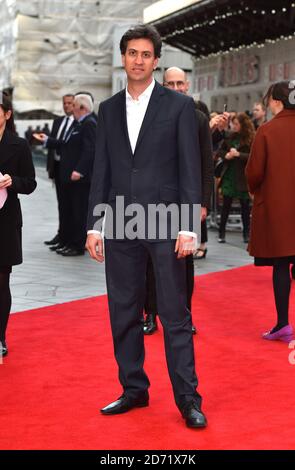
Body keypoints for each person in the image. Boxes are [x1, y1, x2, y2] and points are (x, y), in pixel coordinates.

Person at [86, 25, 207, 428]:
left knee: (174, 314)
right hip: (120, 223)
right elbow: (101, 170)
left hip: (167, 223)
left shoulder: (177, 107)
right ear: (124, 58)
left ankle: (188, 399)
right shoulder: (107, 109)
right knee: (122, 311)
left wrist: (189, 226)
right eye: (131, 53)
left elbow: (191, 168)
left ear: (156, 60)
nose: (138, 60)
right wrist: (95, 226)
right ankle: (133, 389)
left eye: (145, 54)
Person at [143, 67, 214, 336]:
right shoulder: (149, 116)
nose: (175, 88)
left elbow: (206, 165)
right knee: (149, 261)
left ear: (187, 85)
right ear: (163, 85)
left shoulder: (197, 119)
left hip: (185, 201)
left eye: (179, 83)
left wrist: (203, 203)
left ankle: (185, 316)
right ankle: (150, 313)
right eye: (170, 83)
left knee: (184, 263)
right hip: (151, 201)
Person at [246, 80, 295, 343]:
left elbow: (254, 173)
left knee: (281, 266)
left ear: (276, 100)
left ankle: (283, 324)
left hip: (278, 210)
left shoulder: (267, 131)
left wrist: (254, 188)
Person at [35, 94, 96, 256]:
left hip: (80, 178)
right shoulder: (79, 124)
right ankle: (69, 241)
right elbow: (67, 144)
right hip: (70, 175)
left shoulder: (89, 124)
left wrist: (80, 170)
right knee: (71, 210)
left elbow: (90, 150)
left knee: (78, 211)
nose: (71, 108)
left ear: (82, 108)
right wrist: (48, 140)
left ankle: (77, 245)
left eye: (74, 105)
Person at [0, 91, 37, 357]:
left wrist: (13, 181)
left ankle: (0, 335)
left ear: (7, 114)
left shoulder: (19, 145)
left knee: (2, 281)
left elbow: (31, 183)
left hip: (6, 220)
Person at [216, 113, 255, 243]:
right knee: (226, 206)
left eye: (237, 124)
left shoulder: (250, 139)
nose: (234, 126)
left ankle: (246, 233)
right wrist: (226, 155)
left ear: (243, 125)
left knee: (245, 206)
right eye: (233, 124)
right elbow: (220, 151)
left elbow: (253, 156)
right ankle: (221, 233)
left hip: (242, 177)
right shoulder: (229, 137)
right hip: (229, 175)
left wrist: (238, 154)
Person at [44, 94, 75, 247]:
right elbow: (53, 146)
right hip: (57, 168)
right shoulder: (57, 122)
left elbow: (66, 144)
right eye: (64, 103)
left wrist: (48, 141)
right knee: (61, 205)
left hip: (71, 171)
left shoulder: (78, 123)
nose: (66, 106)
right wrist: (50, 168)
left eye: (70, 103)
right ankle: (61, 235)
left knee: (71, 206)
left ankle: (70, 237)